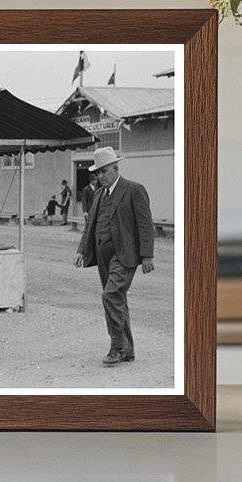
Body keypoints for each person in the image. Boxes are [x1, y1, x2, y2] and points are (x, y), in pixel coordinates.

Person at [74, 147, 155, 366]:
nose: (99, 176)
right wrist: (82, 250)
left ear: (115, 169)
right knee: (116, 300)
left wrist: (147, 255)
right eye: (97, 173)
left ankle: (116, 346)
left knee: (110, 295)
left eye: (103, 172)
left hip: (125, 255)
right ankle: (127, 350)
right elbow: (90, 225)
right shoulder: (99, 194)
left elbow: (146, 225)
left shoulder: (134, 190)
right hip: (103, 256)